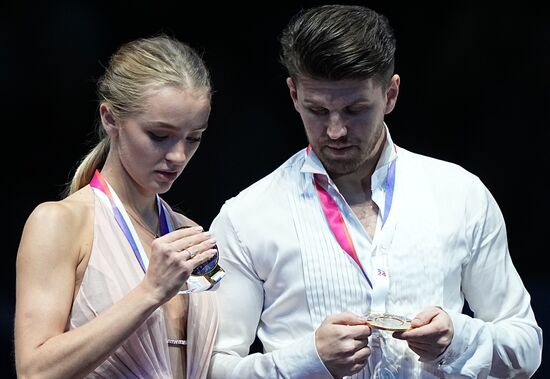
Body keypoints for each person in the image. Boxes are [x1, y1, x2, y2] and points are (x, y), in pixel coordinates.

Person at [208, 5, 543, 379]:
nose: (335, 131)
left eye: (355, 110)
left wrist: (457, 339)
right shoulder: (246, 217)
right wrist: (305, 362)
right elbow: (211, 367)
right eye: (317, 110)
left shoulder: (460, 195)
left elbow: (527, 347)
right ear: (293, 95)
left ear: (391, 94)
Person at [14, 34, 222, 378]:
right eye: (159, 135)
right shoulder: (59, 222)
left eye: (193, 138)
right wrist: (149, 292)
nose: (178, 156)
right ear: (110, 118)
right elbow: (35, 371)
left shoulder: (187, 232)